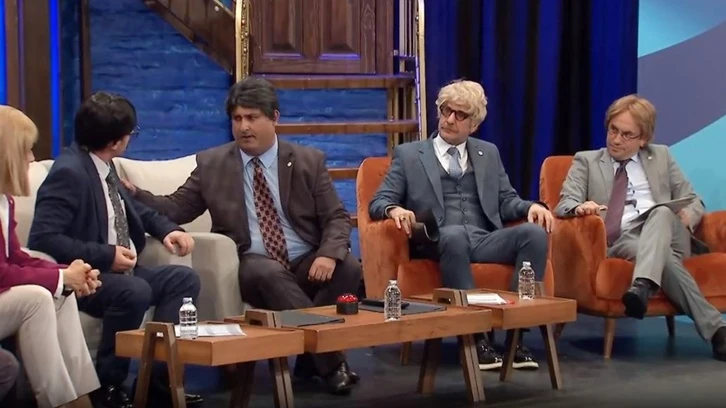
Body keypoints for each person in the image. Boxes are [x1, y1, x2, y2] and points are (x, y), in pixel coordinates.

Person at [122, 77, 362, 395]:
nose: (244, 127)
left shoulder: (307, 161)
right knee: (270, 273)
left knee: (349, 267)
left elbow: (336, 217)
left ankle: (309, 363)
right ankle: (330, 363)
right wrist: (135, 194)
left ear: (274, 118)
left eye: (252, 117)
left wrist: (328, 254)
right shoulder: (213, 164)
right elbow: (176, 208)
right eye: (237, 119)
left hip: (304, 257)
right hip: (252, 261)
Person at [27, 93, 203, 407]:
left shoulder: (103, 165)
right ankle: (108, 386)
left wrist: (168, 230)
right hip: (87, 278)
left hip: (123, 273)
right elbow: (43, 238)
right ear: (115, 141)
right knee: (133, 291)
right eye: (130, 134)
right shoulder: (69, 173)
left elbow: (133, 209)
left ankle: (158, 385)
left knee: (183, 279)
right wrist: (107, 255)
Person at [368, 79, 553, 371]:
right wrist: (395, 209)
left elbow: (506, 200)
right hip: (440, 240)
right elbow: (379, 201)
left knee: (534, 233)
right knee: (454, 235)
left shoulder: (488, 153)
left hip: (482, 238)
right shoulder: (409, 155)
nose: (449, 119)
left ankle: (516, 337)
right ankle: (476, 337)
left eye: (460, 115)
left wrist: (531, 206)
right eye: (446, 110)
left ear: (474, 125)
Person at [555, 94, 726, 361]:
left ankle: (643, 283)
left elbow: (694, 200)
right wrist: (580, 207)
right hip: (623, 241)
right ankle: (717, 331)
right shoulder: (586, 161)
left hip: (669, 234)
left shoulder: (661, 156)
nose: (616, 140)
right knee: (660, 257)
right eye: (613, 130)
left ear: (643, 139)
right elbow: (564, 203)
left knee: (661, 212)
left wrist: (686, 217)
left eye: (626, 135)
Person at [0, 105, 101, 408]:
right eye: (26, 150)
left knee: (61, 293)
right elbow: (2, 273)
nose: (32, 159)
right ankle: (57, 402)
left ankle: (81, 399)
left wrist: (70, 274)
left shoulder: (5, 200)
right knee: (37, 298)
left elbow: (16, 257)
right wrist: (60, 277)